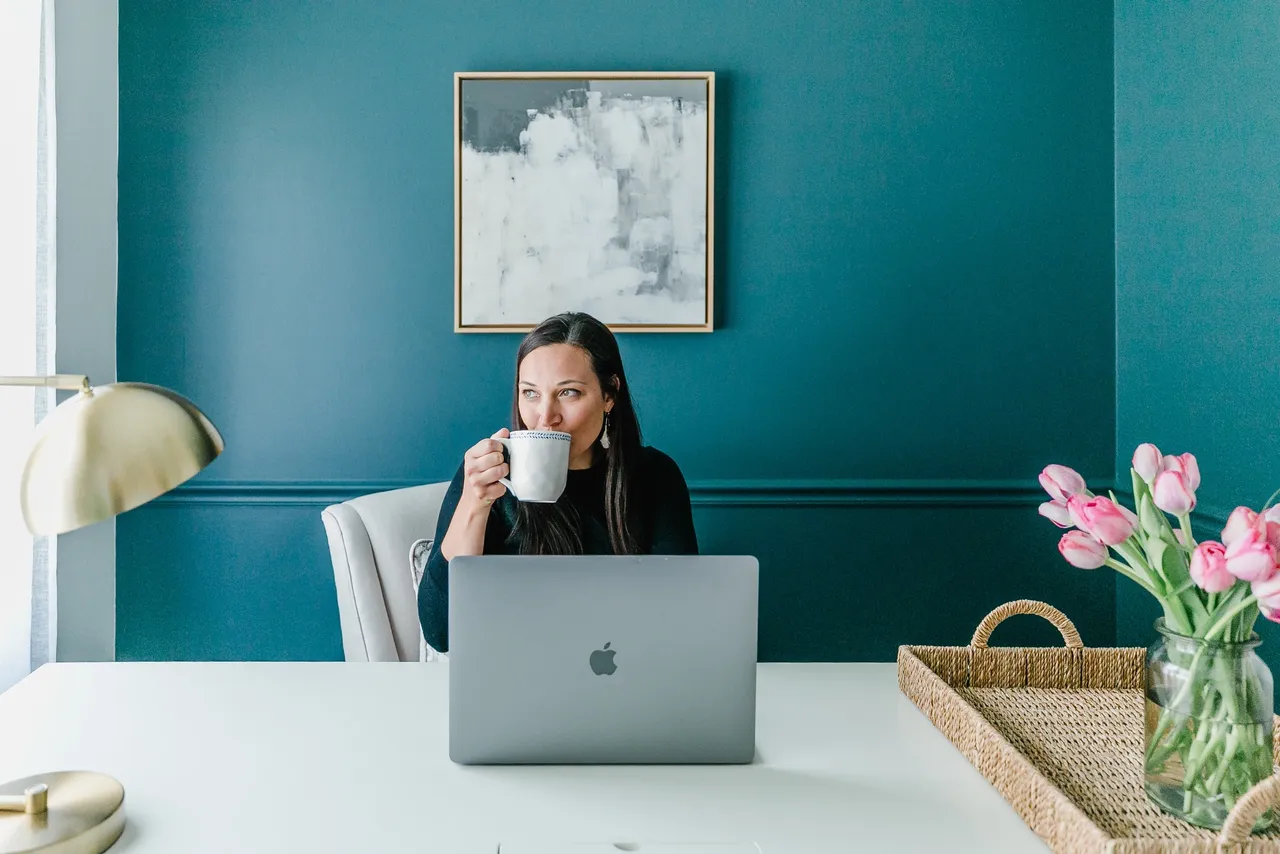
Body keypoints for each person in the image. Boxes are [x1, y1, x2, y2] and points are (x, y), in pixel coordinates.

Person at [417, 311, 699, 653]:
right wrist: (475, 505)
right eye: (530, 393)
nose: (545, 417)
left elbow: (679, 615)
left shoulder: (654, 475)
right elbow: (440, 632)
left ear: (609, 395)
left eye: (568, 392)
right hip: (517, 672)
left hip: (627, 671)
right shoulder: (489, 476)